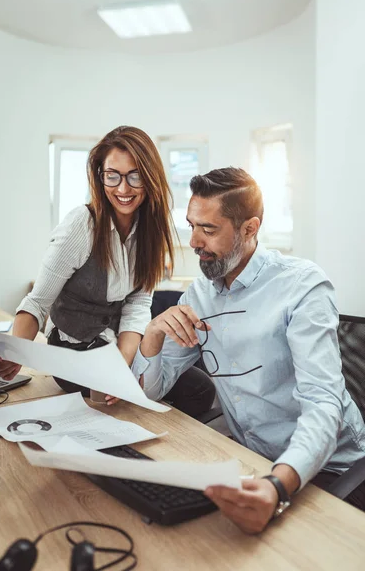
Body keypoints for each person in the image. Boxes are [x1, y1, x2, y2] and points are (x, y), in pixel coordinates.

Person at [132, 166, 365, 533]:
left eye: (208, 229)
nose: (194, 241)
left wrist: (278, 484)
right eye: (191, 225)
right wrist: (152, 335)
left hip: (329, 469)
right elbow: (150, 392)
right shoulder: (199, 294)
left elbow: (324, 405)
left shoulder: (302, 287)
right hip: (253, 460)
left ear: (249, 228)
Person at [0, 125, 215, 414]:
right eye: (113, 176)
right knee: (126, 402)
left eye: (135, 176)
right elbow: (38, 301)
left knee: (200, 389)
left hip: (119, 345)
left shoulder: (151, 232)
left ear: (150, 177)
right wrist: (17, 351)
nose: (123, 189)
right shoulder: (81, 226)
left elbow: (137, 304)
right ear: (100, 176)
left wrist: (121, 364)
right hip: (73, 351)